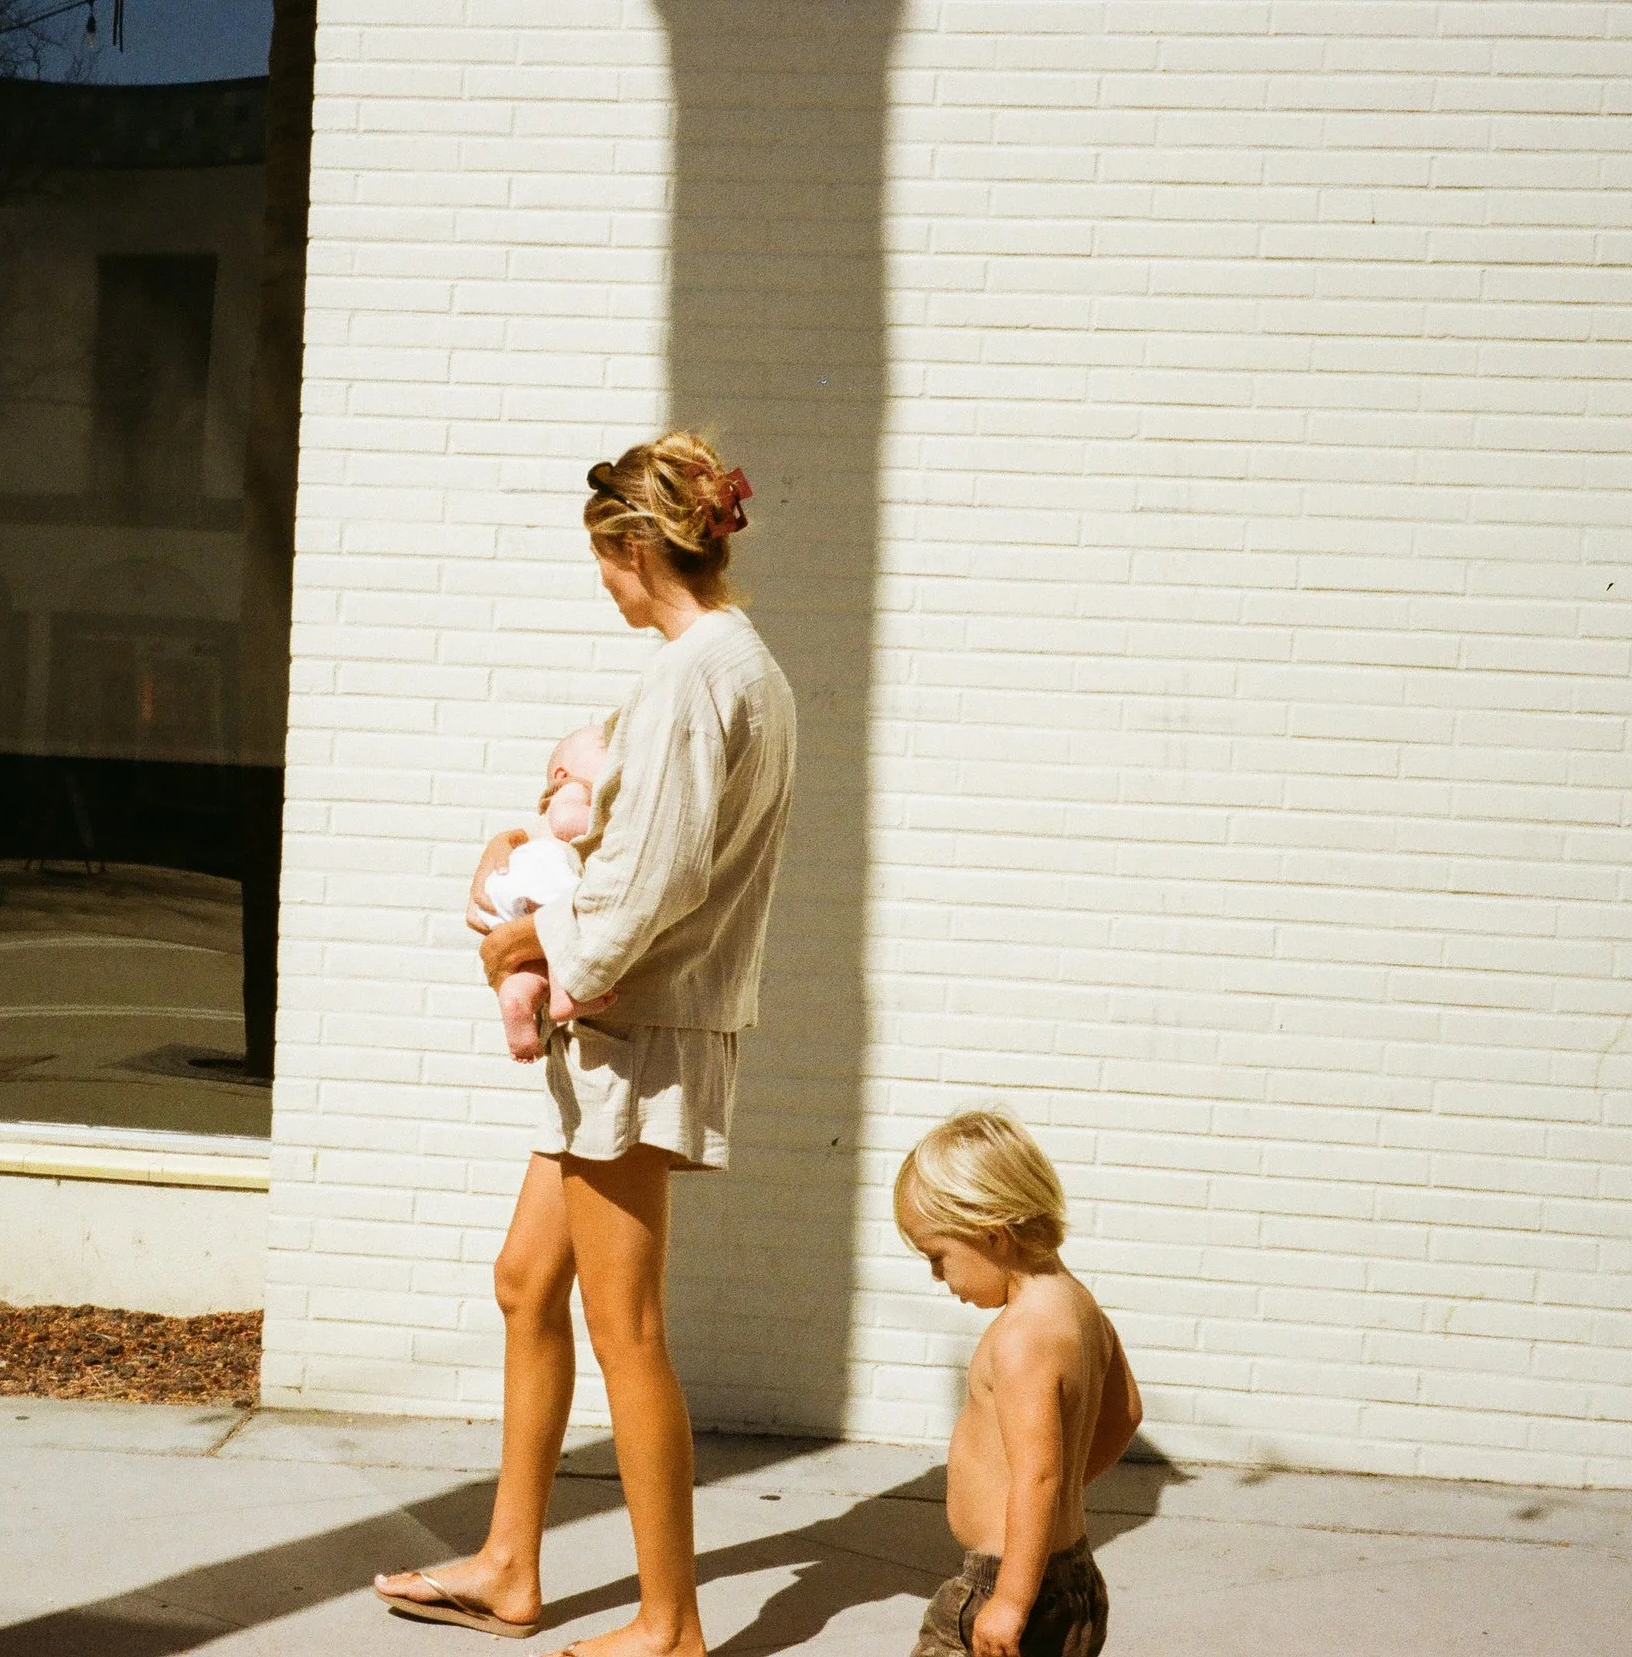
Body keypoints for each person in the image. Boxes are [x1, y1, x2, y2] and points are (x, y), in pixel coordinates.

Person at [373, 432, 797, 1657]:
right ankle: (512, 1562)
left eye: (604, 563)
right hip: (622, 1017)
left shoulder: (690, 677)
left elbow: (651, 879)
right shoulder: (733, 665)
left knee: (630, 1329)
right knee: (525, 1280)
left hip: (629, 1023)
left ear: (635, 546)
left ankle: (670, 1627)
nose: (602, 587)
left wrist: (528, 953)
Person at [894, 1110, 1141, 1657]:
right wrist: (1059, 1500)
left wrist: (1009, 1599)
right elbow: (1125, 1414)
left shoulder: (1022, 1338)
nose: (938, 1277)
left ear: (992, 1234)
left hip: (1005, 1588)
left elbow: (1038, 1476)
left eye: (938, 1257)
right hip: (1072, 1581)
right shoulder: (1078, 1304)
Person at [472, 724, 611, 1061]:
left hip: (520, 890)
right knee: (564, 928)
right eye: (608, 760)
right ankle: (565, 995)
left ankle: (517, 998)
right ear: (561, 774)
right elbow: (566, 824)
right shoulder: (574, 790)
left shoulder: (562, 798)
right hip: (542, 875)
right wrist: (607, 826)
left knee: (533, 965)